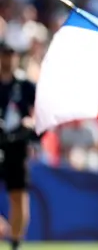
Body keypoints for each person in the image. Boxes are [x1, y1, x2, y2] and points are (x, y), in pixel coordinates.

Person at [0, 43, 36, 250]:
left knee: (18, 194)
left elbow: (38, 113)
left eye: (12, 55)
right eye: (5, 54)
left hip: (17, 146)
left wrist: (29, 124)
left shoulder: (24, 85)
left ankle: (15, 242)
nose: (9, 59)